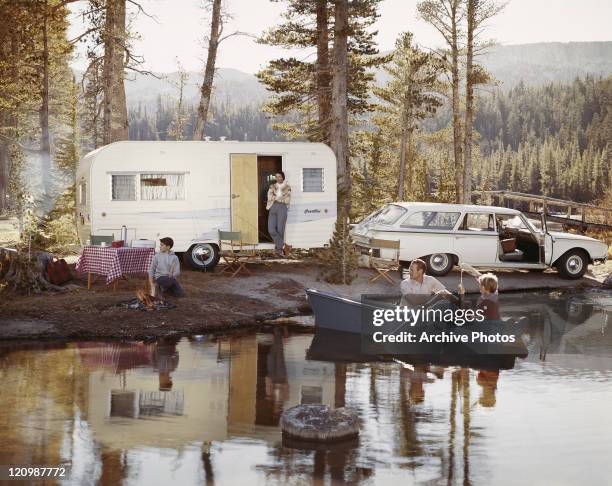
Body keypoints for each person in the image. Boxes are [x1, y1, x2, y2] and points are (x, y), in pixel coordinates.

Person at [266, 171, 291, 257]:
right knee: (271, 229)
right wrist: (279, 197)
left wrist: (276, 197)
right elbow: (269, 197)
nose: (278, 178)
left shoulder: (287, 187)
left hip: (282, 208)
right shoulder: (272, 186)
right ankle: (284, 246)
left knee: (280, 230)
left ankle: (279, 251)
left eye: (279, 176)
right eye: (276, 177)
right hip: (273, 207)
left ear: (283, 177)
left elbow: (287, 200)